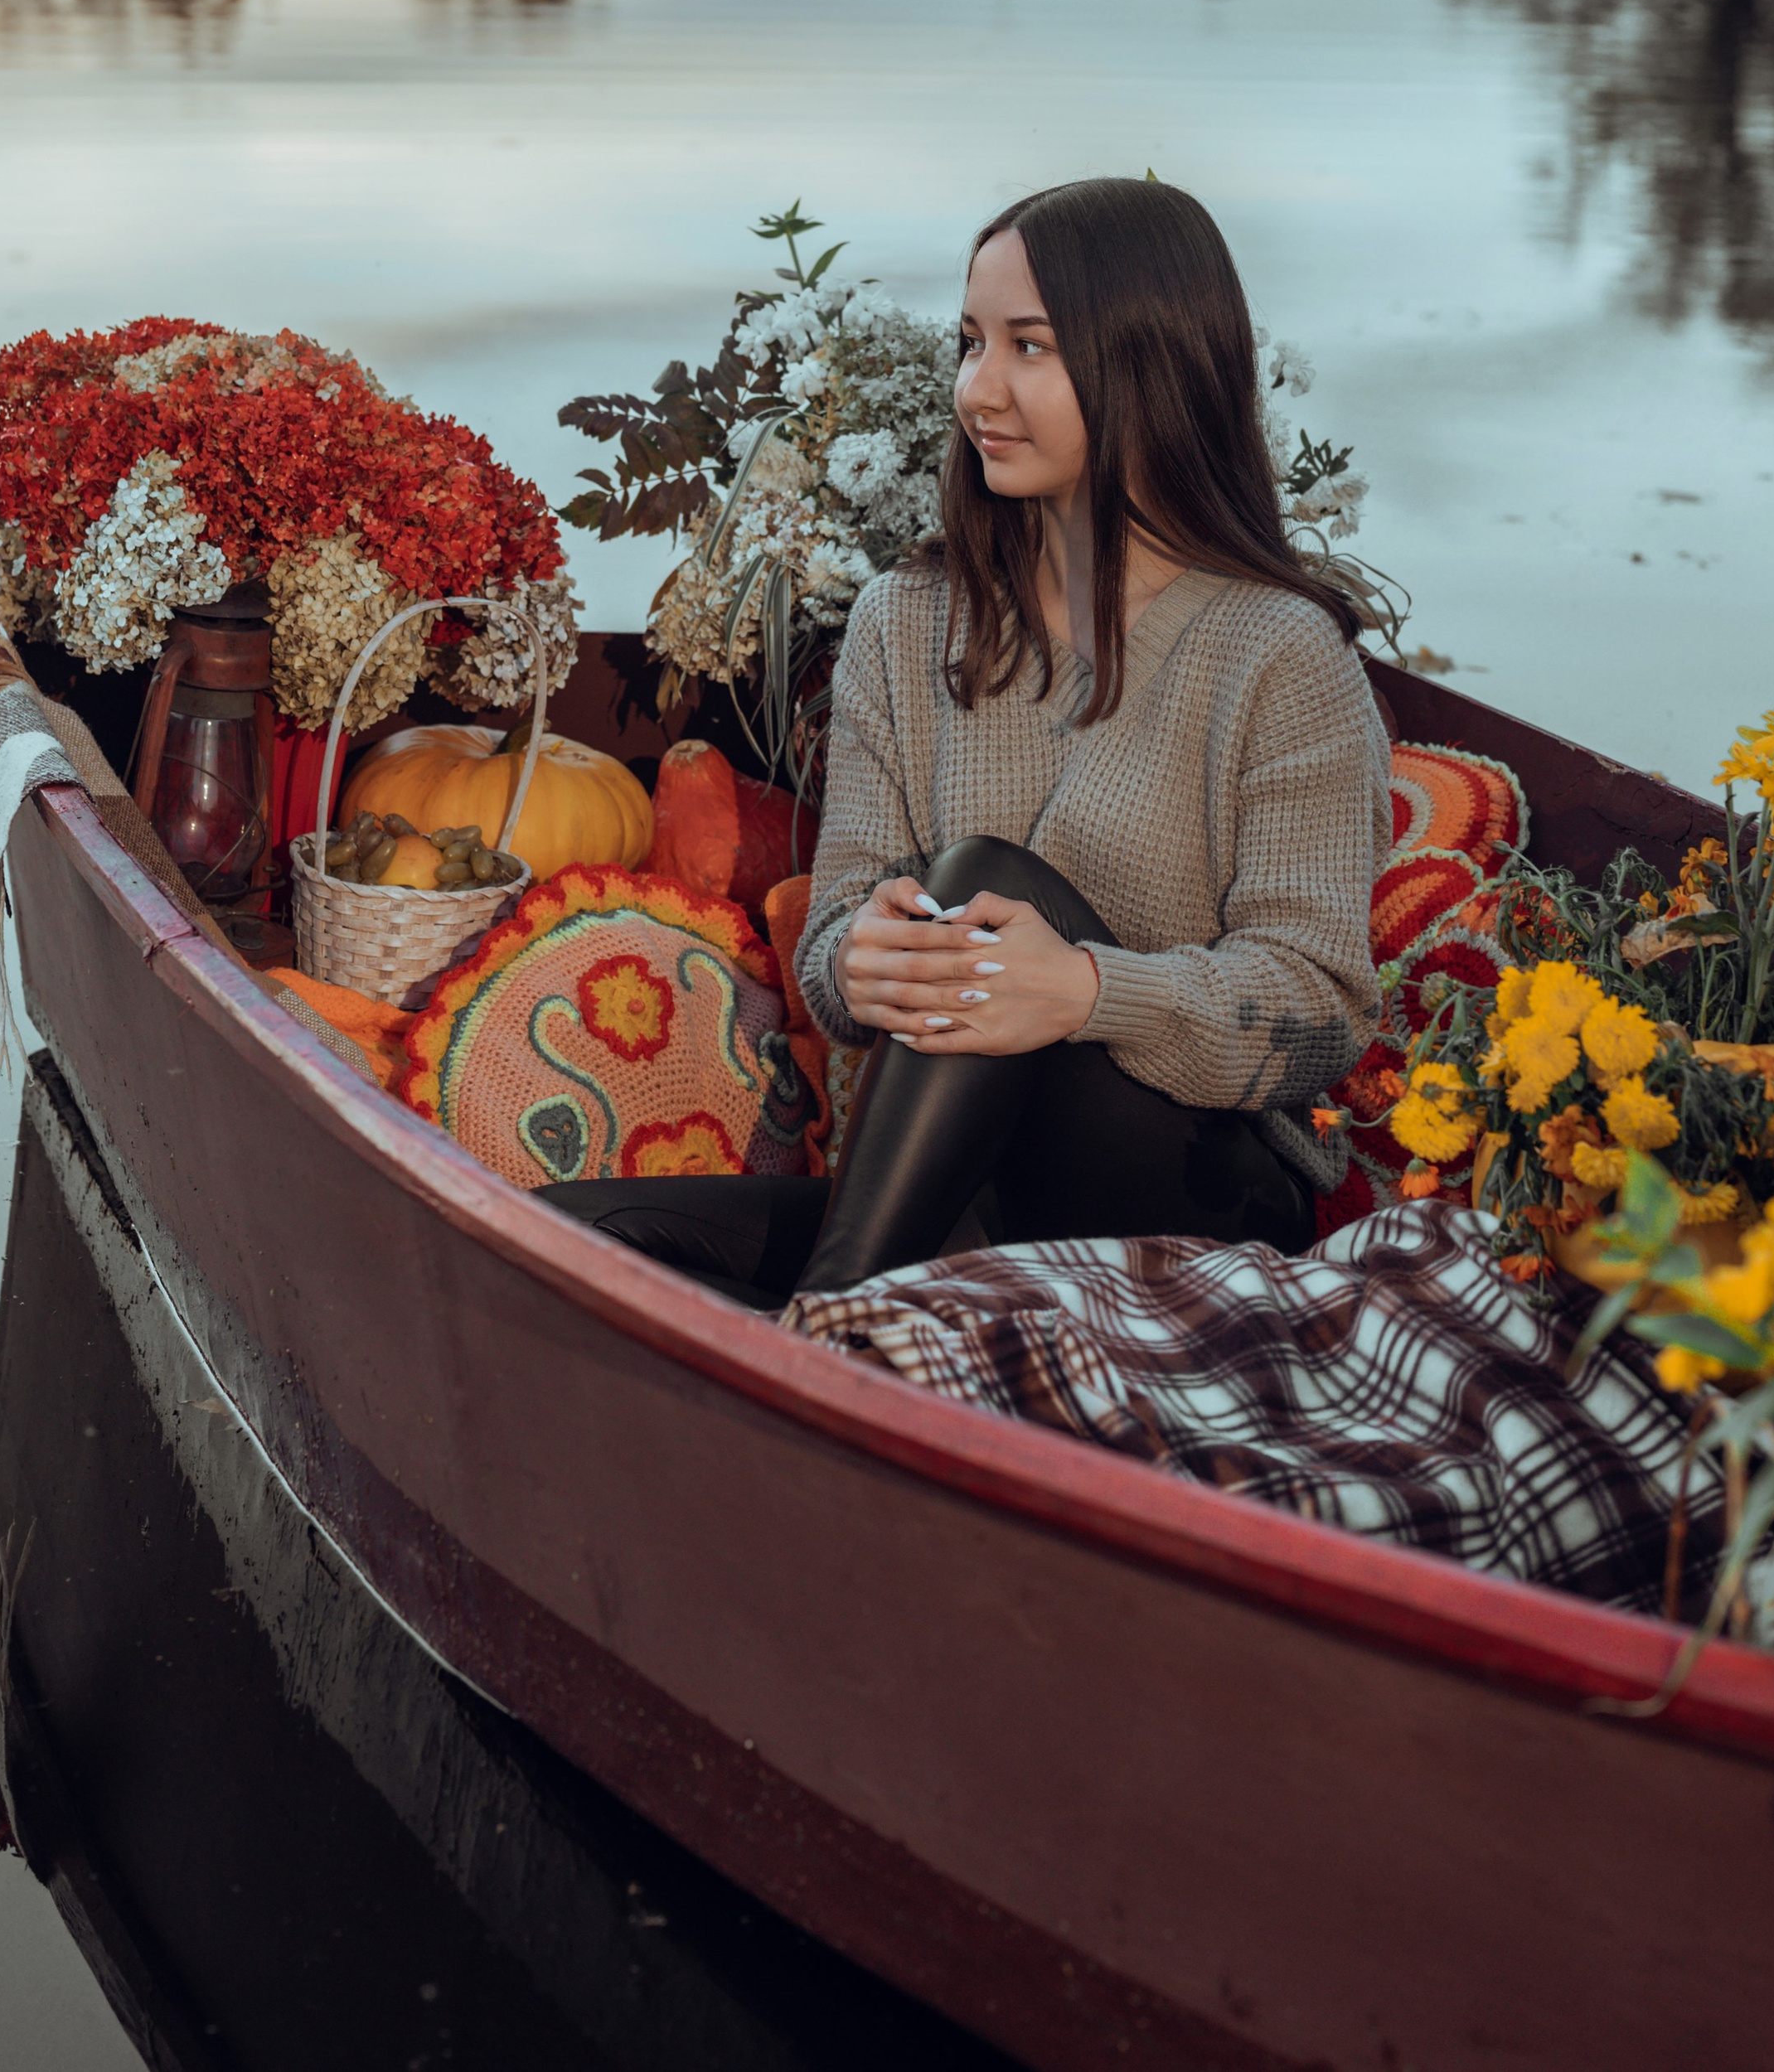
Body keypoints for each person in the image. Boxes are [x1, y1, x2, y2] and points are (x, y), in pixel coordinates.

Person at [543, 175, 1393, 1305]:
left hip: (1189, 1196)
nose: (976, 390)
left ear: (1148, 364)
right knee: (570, 1234)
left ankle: (836, 1331)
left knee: (983, 885)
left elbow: (1319, 1010)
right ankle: (856, 1315)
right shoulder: (909, 620)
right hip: (951, 1187)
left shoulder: (1281, 656)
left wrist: (1088, 992)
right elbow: (837, 942)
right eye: (969, 341)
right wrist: (856, 956)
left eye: (1028, 347)